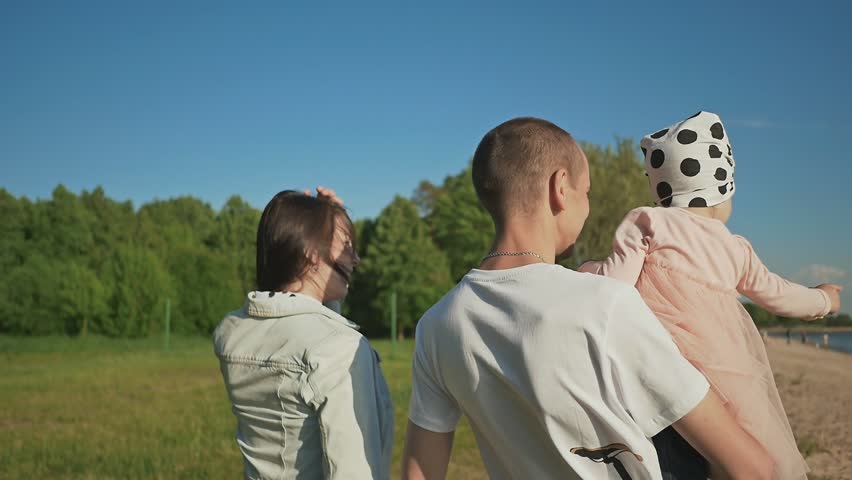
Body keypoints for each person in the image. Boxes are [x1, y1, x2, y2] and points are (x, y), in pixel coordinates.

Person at [402, 117, 774, 480]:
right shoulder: (604, 305)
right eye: (588, 192)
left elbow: (420, 469)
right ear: (560, 188)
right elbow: (752, 469)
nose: (588, 206)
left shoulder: (437, 325)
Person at [579, 111, 843, 479]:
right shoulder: (735, 248)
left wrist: (586, 270)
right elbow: (779, 296)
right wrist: (825, 300)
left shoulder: (648, 222)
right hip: (726, 376)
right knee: (733, 452)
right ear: (723, 194)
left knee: (670, 454)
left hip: (663, 369)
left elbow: (613, 286)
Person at [213, 188, 393, 480]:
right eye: (346, 245)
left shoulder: (232, 331)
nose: (355, 258)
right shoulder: (340, 348)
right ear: (311, 253)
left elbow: (306, 321)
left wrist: (326, 223)